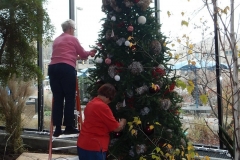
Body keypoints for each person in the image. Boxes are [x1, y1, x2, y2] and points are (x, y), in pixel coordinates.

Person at [48, 19, 96, 137]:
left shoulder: (57, 40)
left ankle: (57, 128)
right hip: (66, 69)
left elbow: (66, 56)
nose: (74, 31)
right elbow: (83, 54)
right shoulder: (72, 39)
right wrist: (90, 53)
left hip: (53, 68)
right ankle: (69, 126)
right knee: (70, 97)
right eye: (74, 29)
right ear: (70, 28)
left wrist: (78, 57)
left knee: (58, 98)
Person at [77, 83, 127, 160]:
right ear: (109, 97)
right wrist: (123, 121)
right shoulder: (103, 107)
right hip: (95, 146)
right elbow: (116, 128)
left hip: (83, 143)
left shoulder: (90, 104)